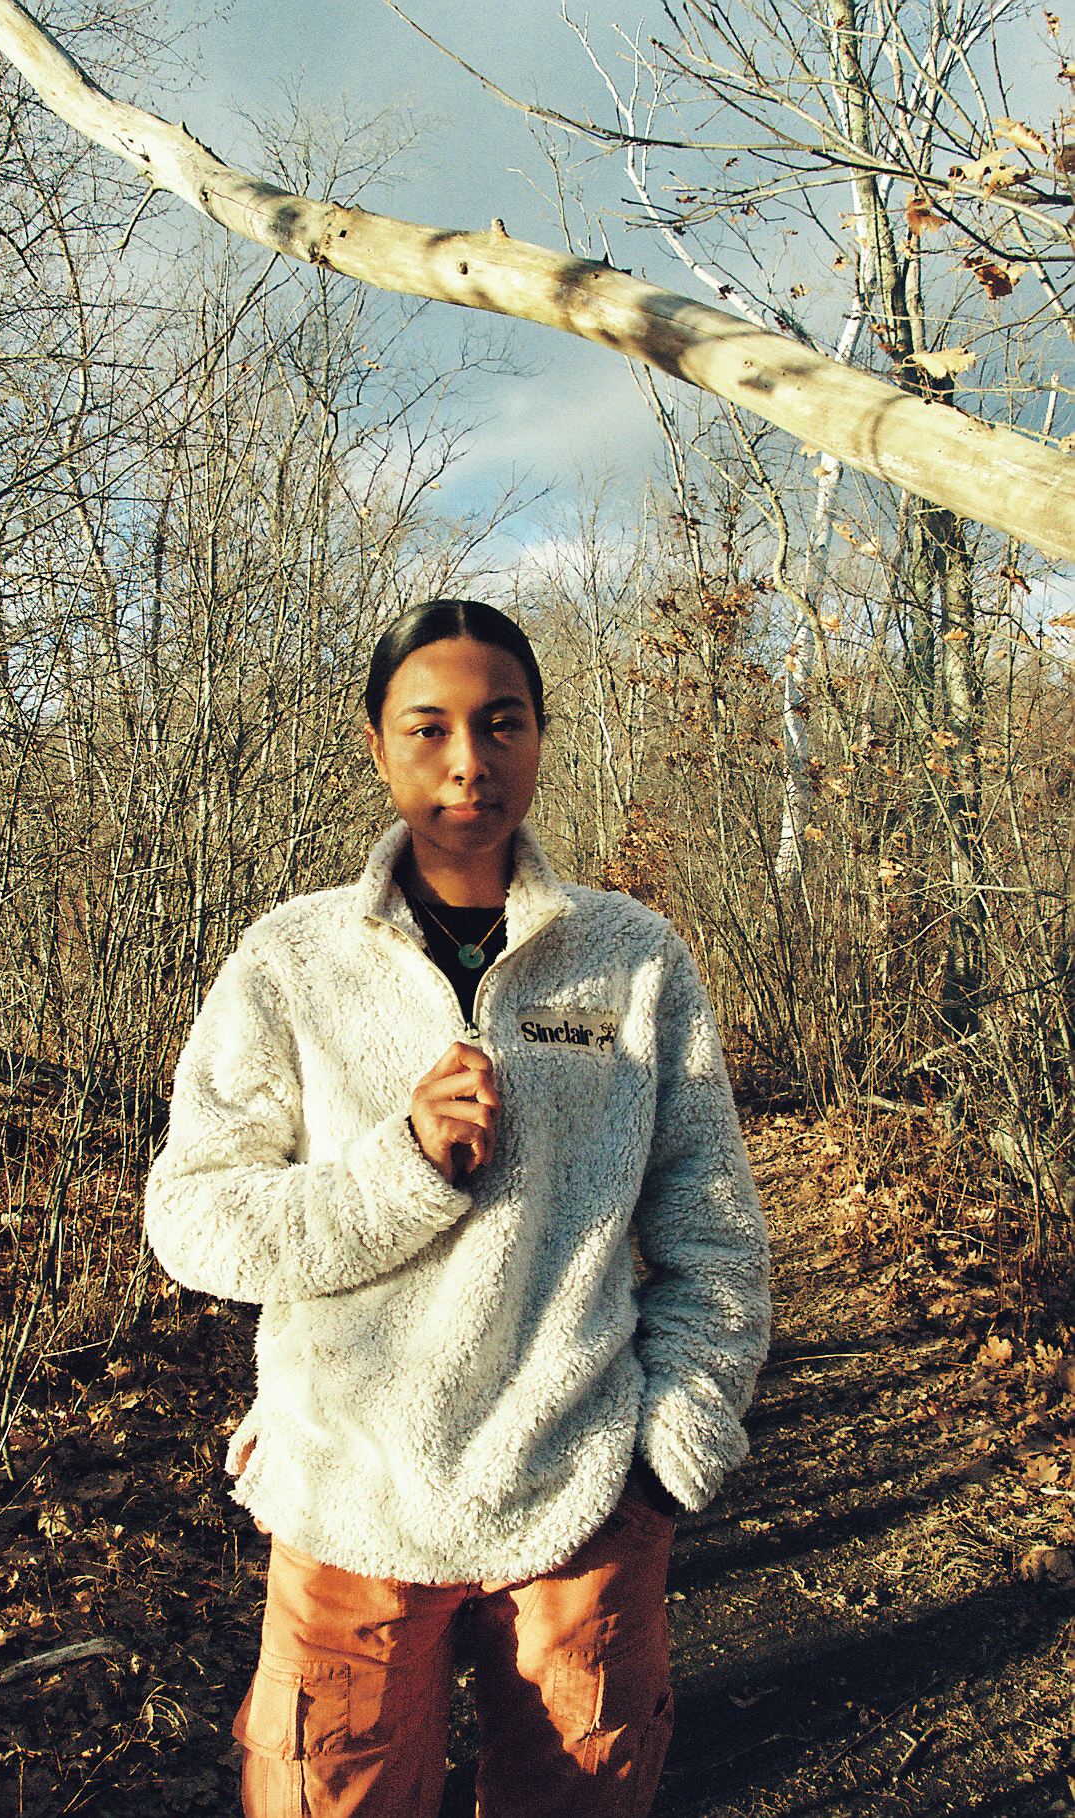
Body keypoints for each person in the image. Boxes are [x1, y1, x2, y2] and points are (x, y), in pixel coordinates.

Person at [143, 599, 770, 1818]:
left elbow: (713, 1235)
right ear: (375, 745)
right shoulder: (292, 961)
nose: (469, 760)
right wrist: (404, 1170)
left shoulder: (633, 959)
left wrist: (665, 1465)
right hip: (346, 1510)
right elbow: (195, 1219)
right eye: (428, 728)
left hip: (579, 1509)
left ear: (539, 737)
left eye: (501, 723)